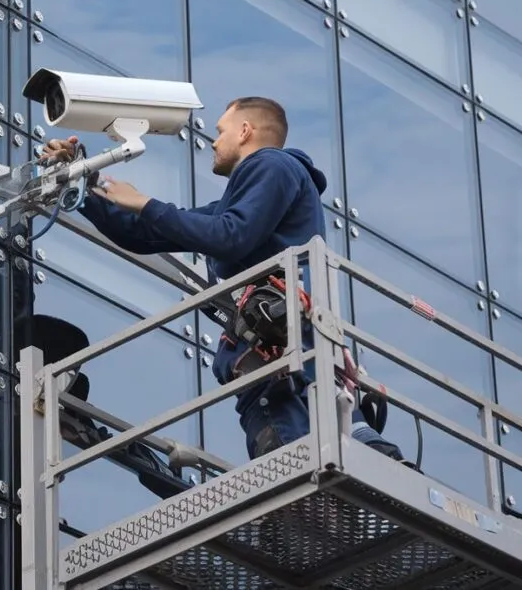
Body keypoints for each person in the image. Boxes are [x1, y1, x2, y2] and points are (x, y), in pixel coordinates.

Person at [41, 96, 406, 464]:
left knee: (290, 468)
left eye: (220, 131)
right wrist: (84, 181)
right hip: (293, 357)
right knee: (330, 446)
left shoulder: (271, 164)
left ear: (245, 131)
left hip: (279, 361)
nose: (213, 142)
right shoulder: (257, 193)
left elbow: (229, 235)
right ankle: (376, 459)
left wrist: (146, 203)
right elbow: (143, 234)